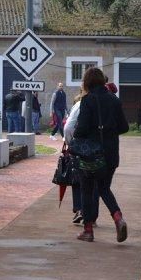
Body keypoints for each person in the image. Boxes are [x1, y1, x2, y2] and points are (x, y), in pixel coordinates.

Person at [71, 67, 130, 243]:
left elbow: (81, 129)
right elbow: (124, 127)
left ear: (87, 82)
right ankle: (118, 218)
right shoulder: (114, 100)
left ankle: (88, 231)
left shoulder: (87, 100)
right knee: (104, 188)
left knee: (87, 190)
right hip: (110, 154)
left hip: (91, 155)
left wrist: (79, 137)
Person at [63, 90, 85, 226]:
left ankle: (79, 209)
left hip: (79, 147)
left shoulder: (79, 105)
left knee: (77, 179)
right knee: (96, 184)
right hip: (102, 149)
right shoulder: (109, 100)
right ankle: (91, 214)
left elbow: (67, 128)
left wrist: (70, 143)